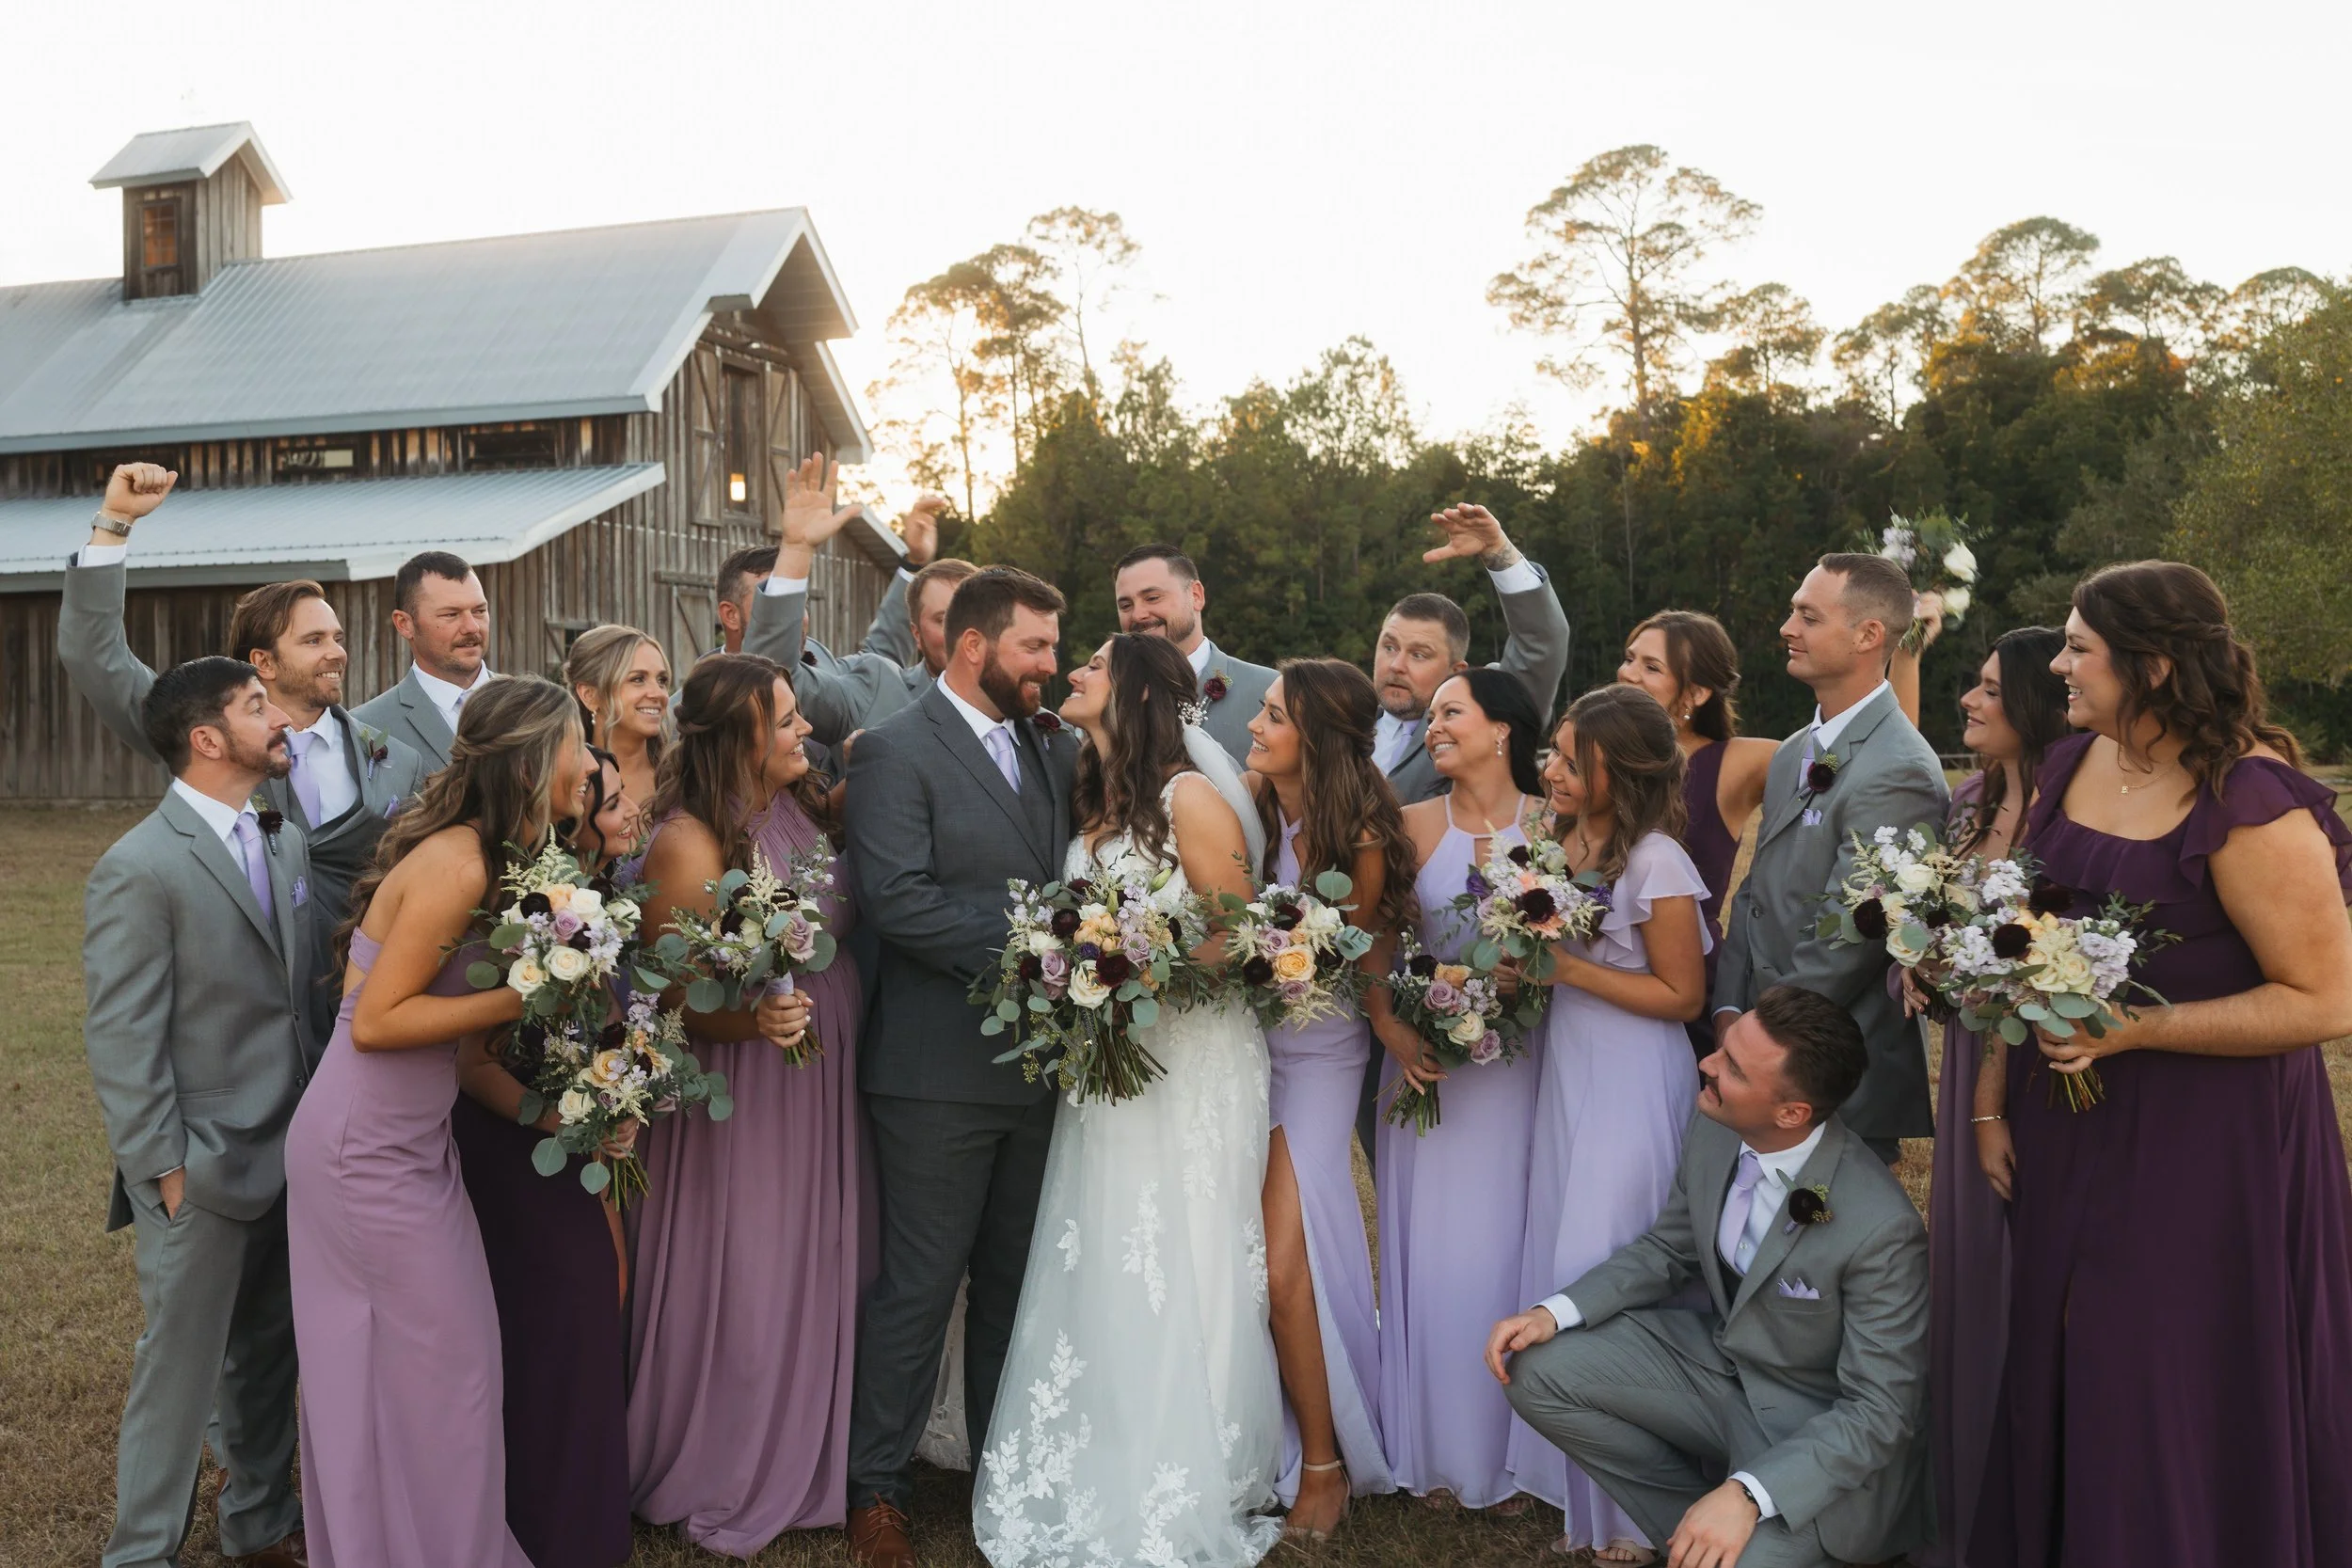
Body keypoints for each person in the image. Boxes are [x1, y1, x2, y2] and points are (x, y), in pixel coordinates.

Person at [1973, 562, 2352, 1568]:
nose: (2058, 665)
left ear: (2149, 667)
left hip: (2206, 1142)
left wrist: (2136, 1030)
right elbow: (2027, 942)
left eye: (2077, 647)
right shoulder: (2069, 762)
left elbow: (2325, 1000)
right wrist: (1990, 1101)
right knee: (2066, 1344)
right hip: (2065, 1117)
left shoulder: (2249, 801)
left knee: (2154, 1365)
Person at [975, 632, 1285, 1567]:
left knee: (1187, 1241)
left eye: (1094, 665)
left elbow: (1238, 934)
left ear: (1137, 693)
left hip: (1191, 1058)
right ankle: (1108, 1438)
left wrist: (1136, 967)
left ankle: (1196, 1459)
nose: (1073, 672)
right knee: (1108, 1236)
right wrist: (1077, 970)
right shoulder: (1096, 798)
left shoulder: (1190, 797)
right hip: (1107, 1063)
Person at [284, 675, 593, 1567]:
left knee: (451, 1367)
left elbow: (464, 1059)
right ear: (532, 762)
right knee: (437, 1370)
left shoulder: (505, 864)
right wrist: (528, 990)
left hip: (416, 1144)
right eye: (576, 742)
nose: (589, 762)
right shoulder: (459, 865)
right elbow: (375, 1023)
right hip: (361, 1151)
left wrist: (564, 1115)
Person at [1490, 985, 1932, 1568]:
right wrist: (1554, 1313)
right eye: (1723, 1048)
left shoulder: (1882, 1228)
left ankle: (1742, 1531)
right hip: (1719, 1372)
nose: (1707, 1064)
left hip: (1812, 1430)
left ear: (1791, 1113)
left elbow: (1880, 1410)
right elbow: (1668, 1249)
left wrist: (1750, 1494)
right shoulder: (1720, 1126)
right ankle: (1696, 1530)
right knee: (1538, 1370)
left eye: (1733, 1068)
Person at [841, 567, 1079, 1568]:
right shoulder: (893, 750)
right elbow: (899, 900)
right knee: (921, 1284)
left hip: (1041, 1067)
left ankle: (1000, 1474)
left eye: (1054, 647)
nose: (1050, 665)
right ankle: (876, 1490)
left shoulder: (1054, 745)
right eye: (1036, 646)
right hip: (935, 1071)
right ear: (974, 646)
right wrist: (1046, 950)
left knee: (1013, 1282)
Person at [58, 461, 427, 1045]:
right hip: (247, 1031)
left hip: (366, 1017)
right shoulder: (208, 736)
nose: (337, 652)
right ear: (263, 662)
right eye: (314, 640)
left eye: (337, 637)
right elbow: (95, 657)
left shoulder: (397, 760)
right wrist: (115, 523)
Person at [82, 657, 312, 1568]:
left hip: (292, 1151)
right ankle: (141, 1551)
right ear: (208, 738)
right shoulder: (138, 866)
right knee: (177, 1377)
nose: (279, 717)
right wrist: (166, 1171)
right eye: (258, 706)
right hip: (202, 1168)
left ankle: (259, 1522)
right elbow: (123, 1036)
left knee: (269, 1358)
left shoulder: (280, 836)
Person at [625, 653, 857, 1553]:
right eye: (787, 719)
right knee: (748, 1273)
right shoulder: (690, 841)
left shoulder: (797, 806)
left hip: (815, 1080)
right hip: (745, 1090)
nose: (806, 729)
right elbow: (675, 994)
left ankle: (798, 1441)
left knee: (806, 1260)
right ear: (740, 737)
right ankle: (720, 1459)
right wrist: (754, 1019)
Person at [1507, 685, 1711, 1562]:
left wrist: (1567, 969)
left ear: (1617, 769)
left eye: (1569, 758)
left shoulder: (1658, 860)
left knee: (1611, 1250)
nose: (1550, 769)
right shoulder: (1558, 846)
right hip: (1569, 1066)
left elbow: (1683, 995)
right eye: (1553, 752)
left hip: (1631, 1074)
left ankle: (1635, 1509)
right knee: (1565, 1245)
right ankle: (1577, 1477)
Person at [1892, 626, 2067, 1568]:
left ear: (2037, 703)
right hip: (1969, 1056)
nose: (1971, 698)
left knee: (2040, 1269)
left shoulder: (2075, 808)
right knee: (1968, 1269)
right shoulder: (1967, 804)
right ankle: (1970, 1504)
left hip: (2052, 1060)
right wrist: (1914, 964)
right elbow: (1931, 926)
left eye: (1992, 688)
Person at [449, 746, 640, 1568]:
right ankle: (544, 1532)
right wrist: (568, 1116)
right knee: (558, 1318)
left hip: (575, 1134)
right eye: (608, 797)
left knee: (600, 1302)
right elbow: (474, 1062)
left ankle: (587, 1529)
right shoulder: (516, 901)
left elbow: (611, 1023)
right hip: (513, 1143)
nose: (627, 808)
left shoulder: (604, 899)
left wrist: (622, 1092)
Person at [1240, 658, 1416, 1542]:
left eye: (1274, 715)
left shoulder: (1363, 832)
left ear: (1315, 737)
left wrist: (1389, 1022)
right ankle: (1264, 1429)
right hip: (1241, 1048)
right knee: (1246, 1254)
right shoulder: (1255, 805)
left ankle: (1326, 1458)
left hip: (1317, 1051)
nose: (1255, 725)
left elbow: (1360, 950)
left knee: (1285, 1258)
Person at [1370, 666, 1549, 1513]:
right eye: (1432, 714)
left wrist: (1528, 979)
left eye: (1452, 712)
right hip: (1429, 1072)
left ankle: (1523, 1452)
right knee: (1439, 1251)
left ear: (1502, 728)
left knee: (1514, 1244)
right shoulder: (1409, 825)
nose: (1434, 727)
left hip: (1526, 1072)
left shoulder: (1555, 824)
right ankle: (1440, 1449)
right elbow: (1376, 947)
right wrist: (1394, 1026)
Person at [1709, 554, 1948, 1164]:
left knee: (1819, 1221)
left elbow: (1852, 938)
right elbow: (1755, 894)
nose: (1787, 628)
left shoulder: (1900, 768)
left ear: (1868, 635)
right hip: (1755, 1047)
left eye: (1808, 616)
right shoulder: (1793, 751)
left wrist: (1758, 1034)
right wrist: (1728, 1007)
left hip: (1834, 1071)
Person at [1614, 610, 1777, 1058]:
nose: (1628, 674)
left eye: (1651, 667)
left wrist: (1906, 652)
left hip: (1688, 991)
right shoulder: (1590, 758)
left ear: (1697, 693)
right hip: (1594, 989)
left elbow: (1862, 759)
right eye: (1629, 658)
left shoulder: (1733, 764)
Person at [741, 453, 961, 742]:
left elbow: (884, 649)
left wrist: (914, 565)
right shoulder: (876, 689)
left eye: (972, 619)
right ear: (917, 634)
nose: (960, 634)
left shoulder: (1021, 712)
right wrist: (797, 550)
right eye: (943, 619)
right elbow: (772, 678)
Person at [1370, 503, 1573, 806]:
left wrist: (1498, 552)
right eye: (1389, 647)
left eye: (1419, 655)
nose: (1396, 665)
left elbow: (1540, 645)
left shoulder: (1480, 721)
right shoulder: (1336, 722)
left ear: (1456, 671)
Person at [1114, 542, 1278, 764]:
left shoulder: (1268, 689)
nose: (1138, 615)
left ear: (1196, 596)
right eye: (1125, 606)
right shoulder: (1109, 697)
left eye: (1152, 598)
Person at [350, 550, 496, 768]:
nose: (472, 627)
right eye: (451, 614)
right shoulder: (365, 727)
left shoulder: (537, 707)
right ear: (404, 624)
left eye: (479, 611)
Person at [563, 622, 673, 842]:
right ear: (590, 695)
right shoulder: (565, 783)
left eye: (661, 680)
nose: (658, 693)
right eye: (638, 679)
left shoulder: (682, 777)